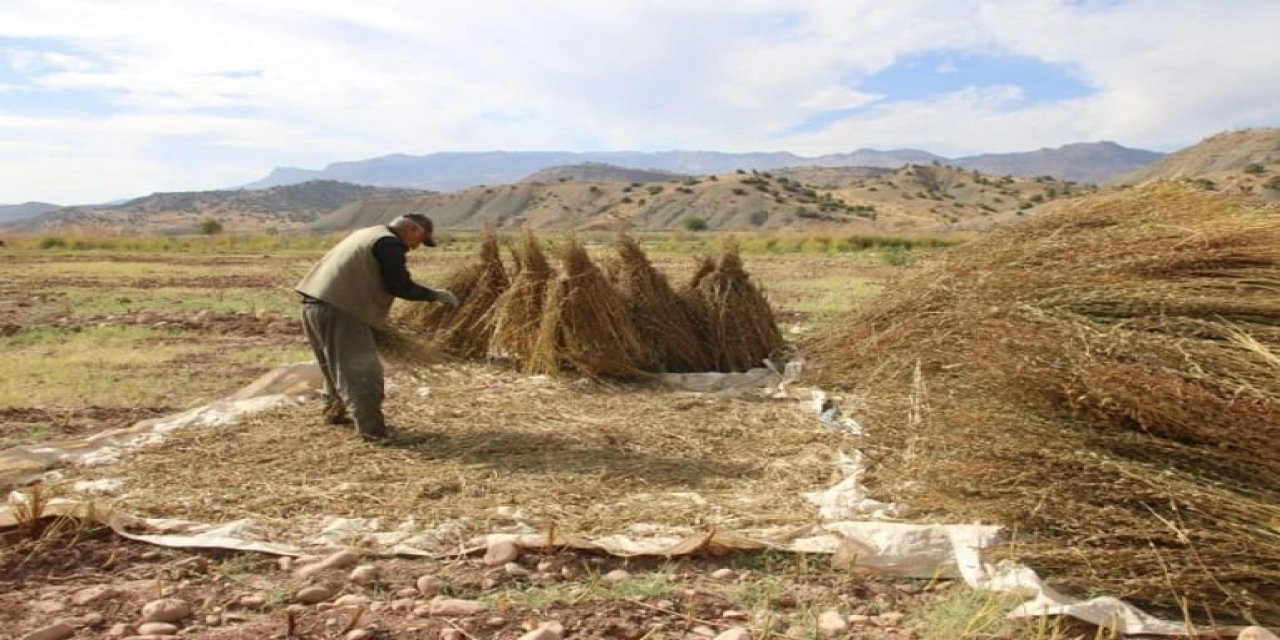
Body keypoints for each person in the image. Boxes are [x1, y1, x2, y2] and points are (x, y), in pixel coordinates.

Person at [295, 213, 458, 440]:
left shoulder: (366, 233)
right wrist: (435, 295)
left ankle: (333, 413)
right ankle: (373, 432)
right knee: (362, 371)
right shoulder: (389, 243)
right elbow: (400, 286)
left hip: (313, 305)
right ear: (412, 229)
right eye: (419, 241)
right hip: (342, 311)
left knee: (334, 365)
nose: (415, 247)